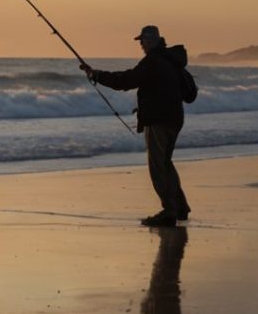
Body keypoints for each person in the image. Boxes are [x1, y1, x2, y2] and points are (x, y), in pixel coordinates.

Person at [80, 25, 192, 227]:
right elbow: (181, 92)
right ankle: (180, 207)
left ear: (151, 40)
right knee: (165, 162)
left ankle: (169, 211)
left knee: (158, 165)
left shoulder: (153, 61)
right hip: (174, 118)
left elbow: (126, 80)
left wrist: (96, 75)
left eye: (143, 40)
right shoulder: (170, 60)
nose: (141, 44)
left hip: (159, 120)